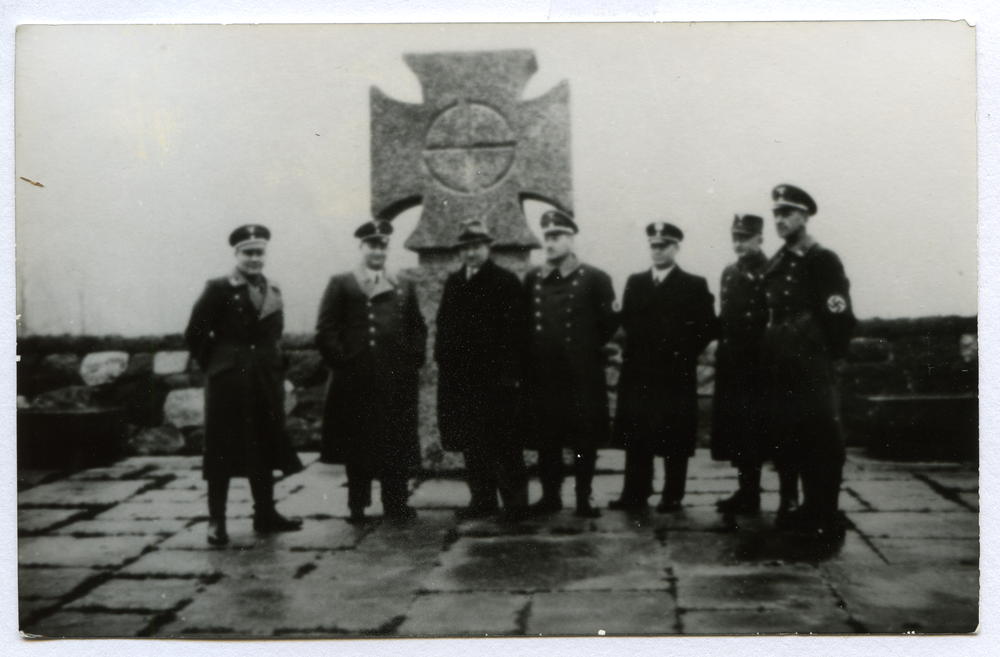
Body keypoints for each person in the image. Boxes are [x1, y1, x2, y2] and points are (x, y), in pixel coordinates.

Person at [185, 224, 304, 546]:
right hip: (229, 382)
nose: (254, 259)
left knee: (264, 443)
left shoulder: (274, 289)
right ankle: (216, 520)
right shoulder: (219, 287)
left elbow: (274, 335)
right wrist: (218, 365)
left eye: (259, 252)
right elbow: (194, 333)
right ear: (236, 254)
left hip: (265, 379)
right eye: (247, 252)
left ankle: (265, 513)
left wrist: (273, 365)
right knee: (221, 449)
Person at [315, 219, 427, 524]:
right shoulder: (343, 283)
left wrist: (411, 361)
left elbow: (417, 327)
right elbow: (326, 330)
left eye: (382, 245)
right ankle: (357, 504)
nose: (377, 251)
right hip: (356, 379)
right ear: (361, 247)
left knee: (396, 441)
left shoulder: (403, 285)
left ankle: (396, 502)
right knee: (358, 443)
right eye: (372, 245)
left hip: (394, 380)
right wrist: (344, 363)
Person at [762, 184, 856, 537]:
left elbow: (839, 314)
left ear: (804, 216)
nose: (780, 219)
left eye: (787, 213)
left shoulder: (821, 259)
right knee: (789, 435)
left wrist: (828, 357)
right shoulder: (779, 261)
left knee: (822, 438)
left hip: (811, 362)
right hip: (780, 360)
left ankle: (824, 510)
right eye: (776, 213)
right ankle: (803, 507)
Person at [610, 222, 717, 512]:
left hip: (674, 372)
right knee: (637, 435)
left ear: (676, 248)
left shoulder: (694, 284)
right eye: (653, 245)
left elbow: (707, 327)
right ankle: (635, 491)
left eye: (664, 245)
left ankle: (673, 495)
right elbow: (628, 322)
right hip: (639, 371)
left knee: (675, 436)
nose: (657, 251)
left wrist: (682, 353)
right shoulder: (636, 282)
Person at [524, 210, 619, 518]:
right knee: (547, 437)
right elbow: (525, 323)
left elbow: (609, 323)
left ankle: (583, 496)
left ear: (570, 238)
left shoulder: (595, 278)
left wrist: (584, 350)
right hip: (543, 373)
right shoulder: (533, 279)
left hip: (581, 374)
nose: (550, 243)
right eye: (547, 237)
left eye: (557, 237)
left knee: (584, 438)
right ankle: (551, 495)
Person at [435, 219, 531, 521]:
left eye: (476, 246)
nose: (471, 253)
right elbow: (444, 325)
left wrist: (509, 375)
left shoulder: (505, 281)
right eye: (465, 248)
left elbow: (517, 333)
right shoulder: (454, 281)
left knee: (505, 444)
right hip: (462, 380)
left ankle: (516, 504)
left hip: (495, 380)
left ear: (488, 247)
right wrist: (444, 360)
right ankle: (483, 500)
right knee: (472, 443)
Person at [711, 215, 798, 517]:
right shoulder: (729, 273)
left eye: (745, 238)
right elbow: (726, 319)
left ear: (760, 238)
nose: (739, 244)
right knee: (742, 432)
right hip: (736, 366)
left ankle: (789, 498)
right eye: (735, 238)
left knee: (780, 433)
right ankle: (748, 493)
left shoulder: (773, 269)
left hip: (767, 365)